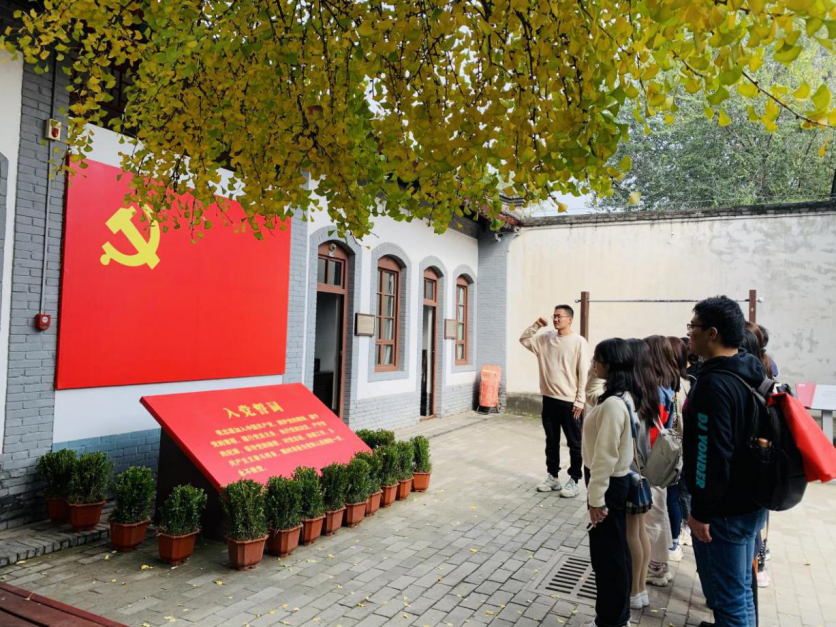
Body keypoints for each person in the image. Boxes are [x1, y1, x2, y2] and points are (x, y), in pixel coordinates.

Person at [684, 296, 768, 627]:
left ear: (712, 333)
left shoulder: (714, 385)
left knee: (730, 601)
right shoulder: (749, 368)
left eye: (693, 327)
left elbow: (711, 454)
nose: (689, 333)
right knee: (741, 590)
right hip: (752, 499)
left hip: (726, 508)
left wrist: (702, 511)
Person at [582, 338, 640, 627]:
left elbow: (605, 457)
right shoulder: (618, 396)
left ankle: (611, 620)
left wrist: (596, 500)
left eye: (597, 359)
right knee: (614, 552)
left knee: (608, 558)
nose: (594, 363)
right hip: (611, 483)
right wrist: (593, 372)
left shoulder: (614, 405)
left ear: (610, 364)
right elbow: (591, 393)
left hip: (607, 485)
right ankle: (617, 617)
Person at [520, 305, 590, 498]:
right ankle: (553, 477)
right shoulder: (545, 339)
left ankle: (574, 480)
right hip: (549, 399)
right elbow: (524, 340)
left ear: (570, 319)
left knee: (574, 443)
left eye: (560, 316)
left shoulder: (578, 342)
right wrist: (536, 325)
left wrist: (580, 400)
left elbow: (584, 372)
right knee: (551, 441)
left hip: (570, 402)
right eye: (554, 316)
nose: (556, 319)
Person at [624, 338, 661, 609]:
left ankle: (634, 592)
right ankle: (640, 591)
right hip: (644, 469)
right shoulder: (650, 388)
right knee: (640, 531)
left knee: (631, 533)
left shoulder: (629, 395)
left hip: (630, 471)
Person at [643, 335, 678, 587]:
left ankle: (655, 568)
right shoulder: (668, 386)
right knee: (660, 511)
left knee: (653, 515)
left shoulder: (654, 390)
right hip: (662, 458)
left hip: (651, 458)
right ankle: (661, 564)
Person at [668, 336, 692, 549]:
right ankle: (682, 531)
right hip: (681, 445)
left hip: (677, 446)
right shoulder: (686, 381)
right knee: (679, 492)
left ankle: (680, 535)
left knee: (677, 493)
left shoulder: (677, 384)